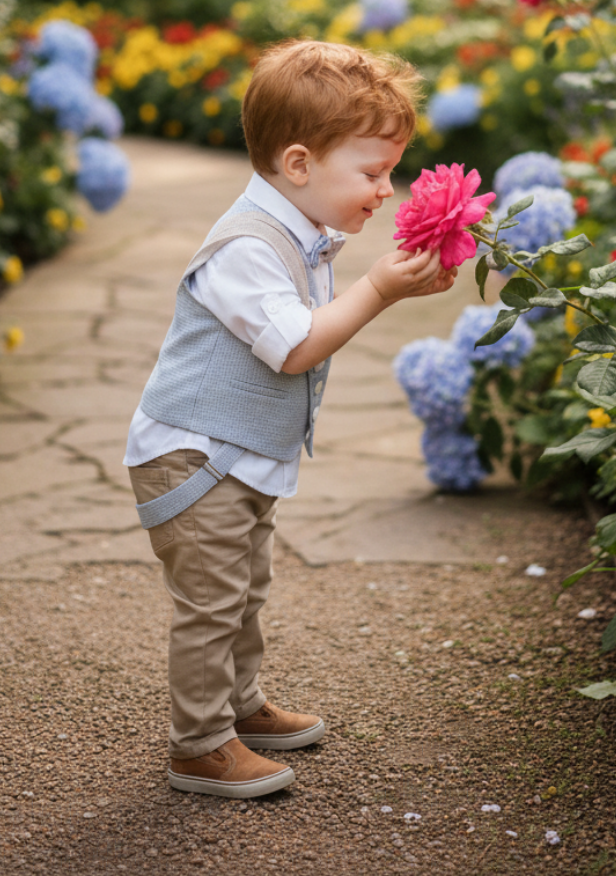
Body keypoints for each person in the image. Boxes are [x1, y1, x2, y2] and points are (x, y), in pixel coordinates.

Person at [125, 39, 457, 799]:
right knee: (211, 604)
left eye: (391, 172)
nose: (387, 190)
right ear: (300, 164)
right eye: (372, 173)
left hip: (235, 454)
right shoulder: (245, 248)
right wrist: (377, 289)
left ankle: (236, 706)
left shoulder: (302, 230)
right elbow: (295, 348)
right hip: (193, 459)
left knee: (245, 587)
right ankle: (198, 744)